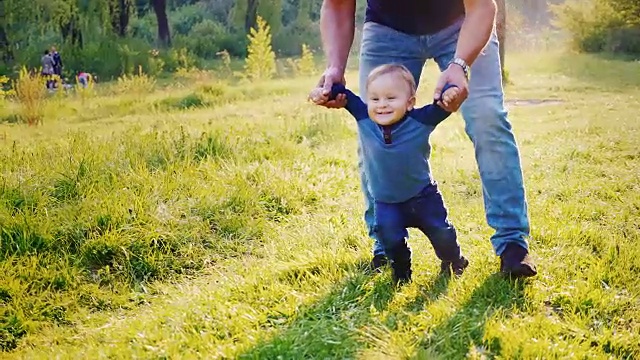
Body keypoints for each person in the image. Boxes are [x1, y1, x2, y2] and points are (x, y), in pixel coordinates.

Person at [314, 0, 537, 277]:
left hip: (462, 22)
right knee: (375, 129)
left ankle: (512, 244)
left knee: (487, 117)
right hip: (388, 30)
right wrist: (334, 67)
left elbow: (481, 6)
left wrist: (460, 64)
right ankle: (385, 245)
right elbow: (337, 5)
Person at [310, 64, 469, 284]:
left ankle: (454, 261)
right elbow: (341, 93)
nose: (382, 105)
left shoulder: (421, 120)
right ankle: (402, 275)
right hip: (386, 202)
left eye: (391, 98)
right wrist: (321, 92)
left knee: (441, 233)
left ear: (410, 102)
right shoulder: (364, 117)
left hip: (423, 197)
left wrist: (450, 91)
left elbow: (445, 104)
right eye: (374, 99)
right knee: (391, 241)